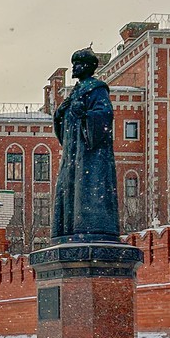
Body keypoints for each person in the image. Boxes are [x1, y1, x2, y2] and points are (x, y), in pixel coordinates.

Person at [51, 47, 121, 241]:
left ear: (89, 67)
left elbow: (105, 114)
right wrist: (60, 113)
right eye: (73, 63)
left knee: (88, 190)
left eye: (78, 64)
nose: (74, 67)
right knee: (70, 190)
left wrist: (86, 115)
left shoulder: (97, 89)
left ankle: (92, 228)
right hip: (73, 155)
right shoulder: (75, 91)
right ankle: (69, 229)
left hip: (90, 157)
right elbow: (63, 127)